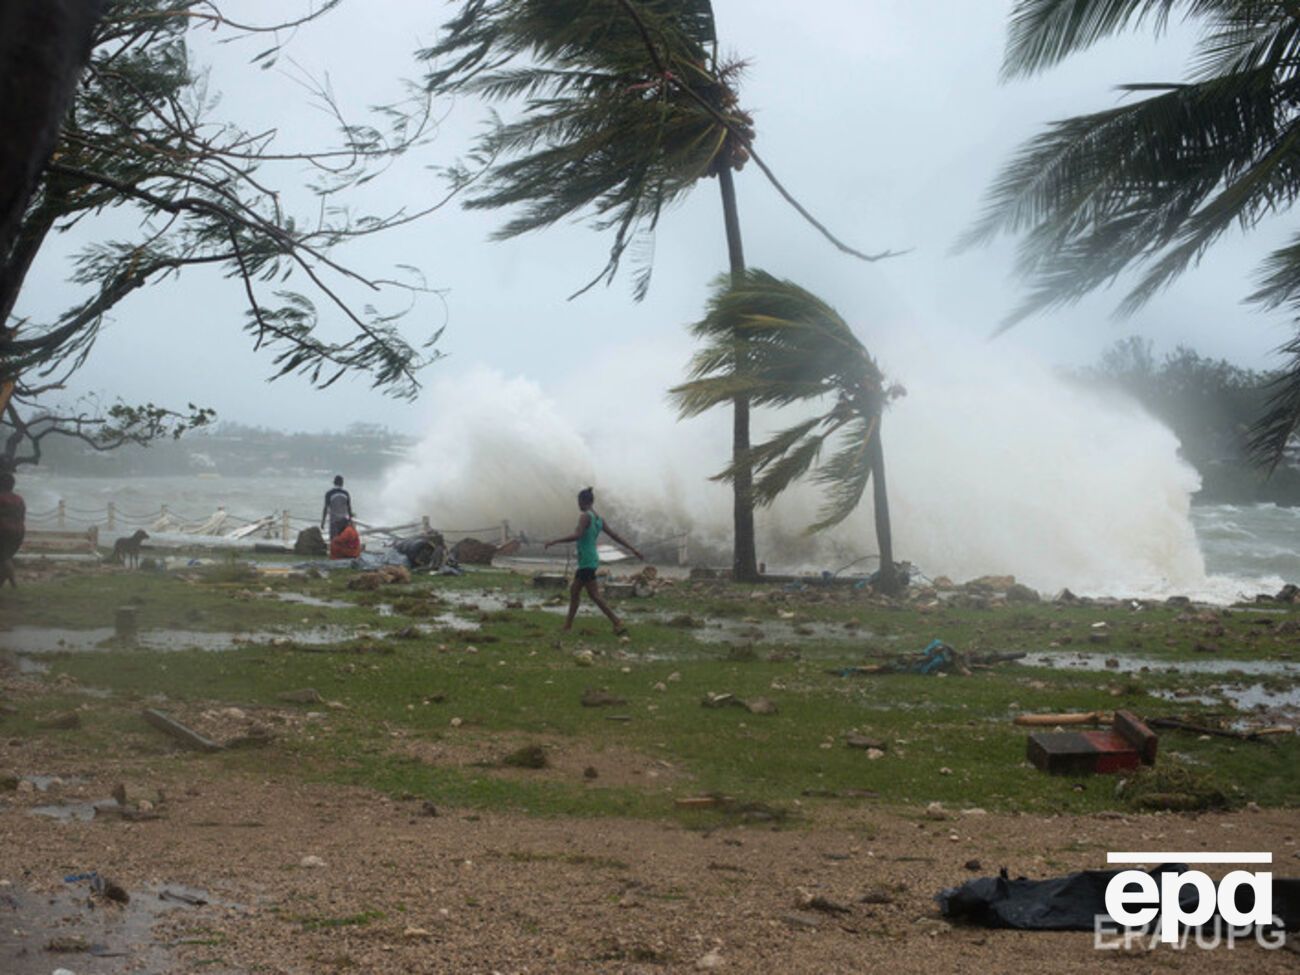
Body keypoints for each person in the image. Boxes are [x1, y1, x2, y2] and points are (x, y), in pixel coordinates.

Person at [545, 486, 644, 634]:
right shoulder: (599, 519)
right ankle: (569, 626)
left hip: (586, 561)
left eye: (578, 501)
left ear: (582, 501)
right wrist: (632, 549)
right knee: (579, 592)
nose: (578, 505)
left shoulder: (585, 516)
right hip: (591, 559)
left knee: (589, 594)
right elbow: (615, 536)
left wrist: (555, 541)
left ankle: (615, 622)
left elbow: (577, 535)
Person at [0, 470, 25, 589]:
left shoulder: (1, 498)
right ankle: (11, 584)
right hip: (19, 532)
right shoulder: (19, 499)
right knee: (5, 558)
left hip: (3, 531)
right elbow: (22, 516)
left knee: (3, 558)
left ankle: (14, 584)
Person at [321, 475, 353, 541]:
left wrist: (323, 522)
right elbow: (349, 508)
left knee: (334, 541)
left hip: (334, 521)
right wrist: (350, 520)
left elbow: (325, 508)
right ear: (342, 483)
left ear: (334, 483)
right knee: (344, 541)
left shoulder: (329, 493)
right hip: (344, 521)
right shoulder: (346, 493)